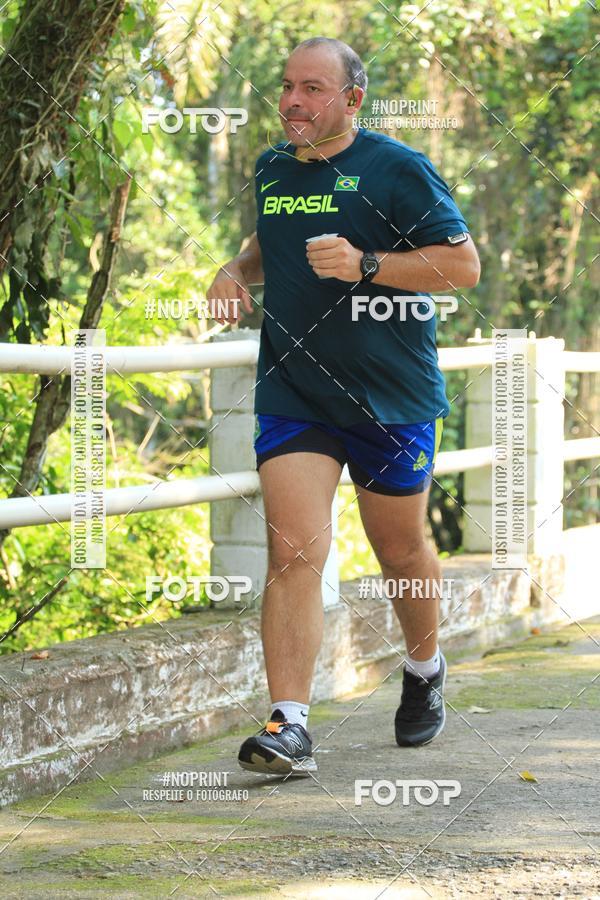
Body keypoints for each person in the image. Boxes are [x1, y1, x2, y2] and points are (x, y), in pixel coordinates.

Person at [207, 37, 480, 776]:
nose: (292, 101)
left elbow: (462, 267)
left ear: (352, 99)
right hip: (296, 390)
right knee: (293, 550)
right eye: (286, 86)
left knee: (400, 551)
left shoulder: (397, 169)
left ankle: (423, 667)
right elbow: (268, 245)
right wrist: (234, 270)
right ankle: (289, 725)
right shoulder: (273, 167)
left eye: (312, 88)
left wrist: (368, 265)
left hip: (390, 396)